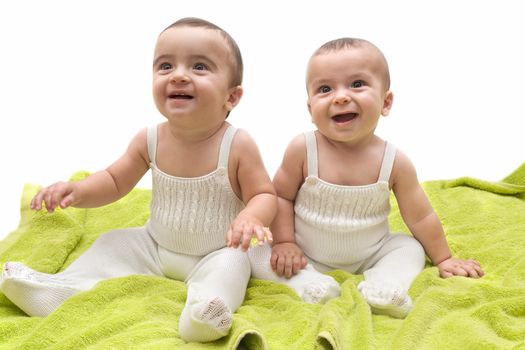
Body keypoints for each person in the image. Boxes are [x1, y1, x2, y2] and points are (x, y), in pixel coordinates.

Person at [0, 17, 276, 343]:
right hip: (155, 245)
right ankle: (60, 290)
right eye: (165, 66)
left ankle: (205, 314)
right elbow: (115, 180)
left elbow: (264, 195)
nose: (179, 75)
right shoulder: (150, 139)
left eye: (199, 67)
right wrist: (77, 191)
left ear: (231, 97)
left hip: (216, 250)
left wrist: (249, 217)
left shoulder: (237, 144)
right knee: (111, 243)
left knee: (232, 270)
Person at [248, 37, 484, 319]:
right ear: (311, 110)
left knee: (410, 248)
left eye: (357, 84)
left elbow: (420, 217)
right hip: (305, 252)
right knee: (256, 255)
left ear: (386, 102)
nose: (341, 96)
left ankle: (384, 285)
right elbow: (281, 196)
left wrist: (444, 258)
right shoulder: (303, 150)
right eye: (325, 89)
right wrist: (286, 242)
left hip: (372, 251)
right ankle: (309, 284)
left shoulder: (394, 161)